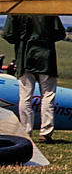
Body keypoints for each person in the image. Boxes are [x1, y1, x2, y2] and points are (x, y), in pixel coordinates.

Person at [2, 14, 66, 143]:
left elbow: (8, 34)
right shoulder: (48, 10)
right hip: (46, 57)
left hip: (24, 56)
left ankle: (25, 131)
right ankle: (46, 132)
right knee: (48, 95)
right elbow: (59, 33)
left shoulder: (17, 10)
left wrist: (21, 38)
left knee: (25, 96)